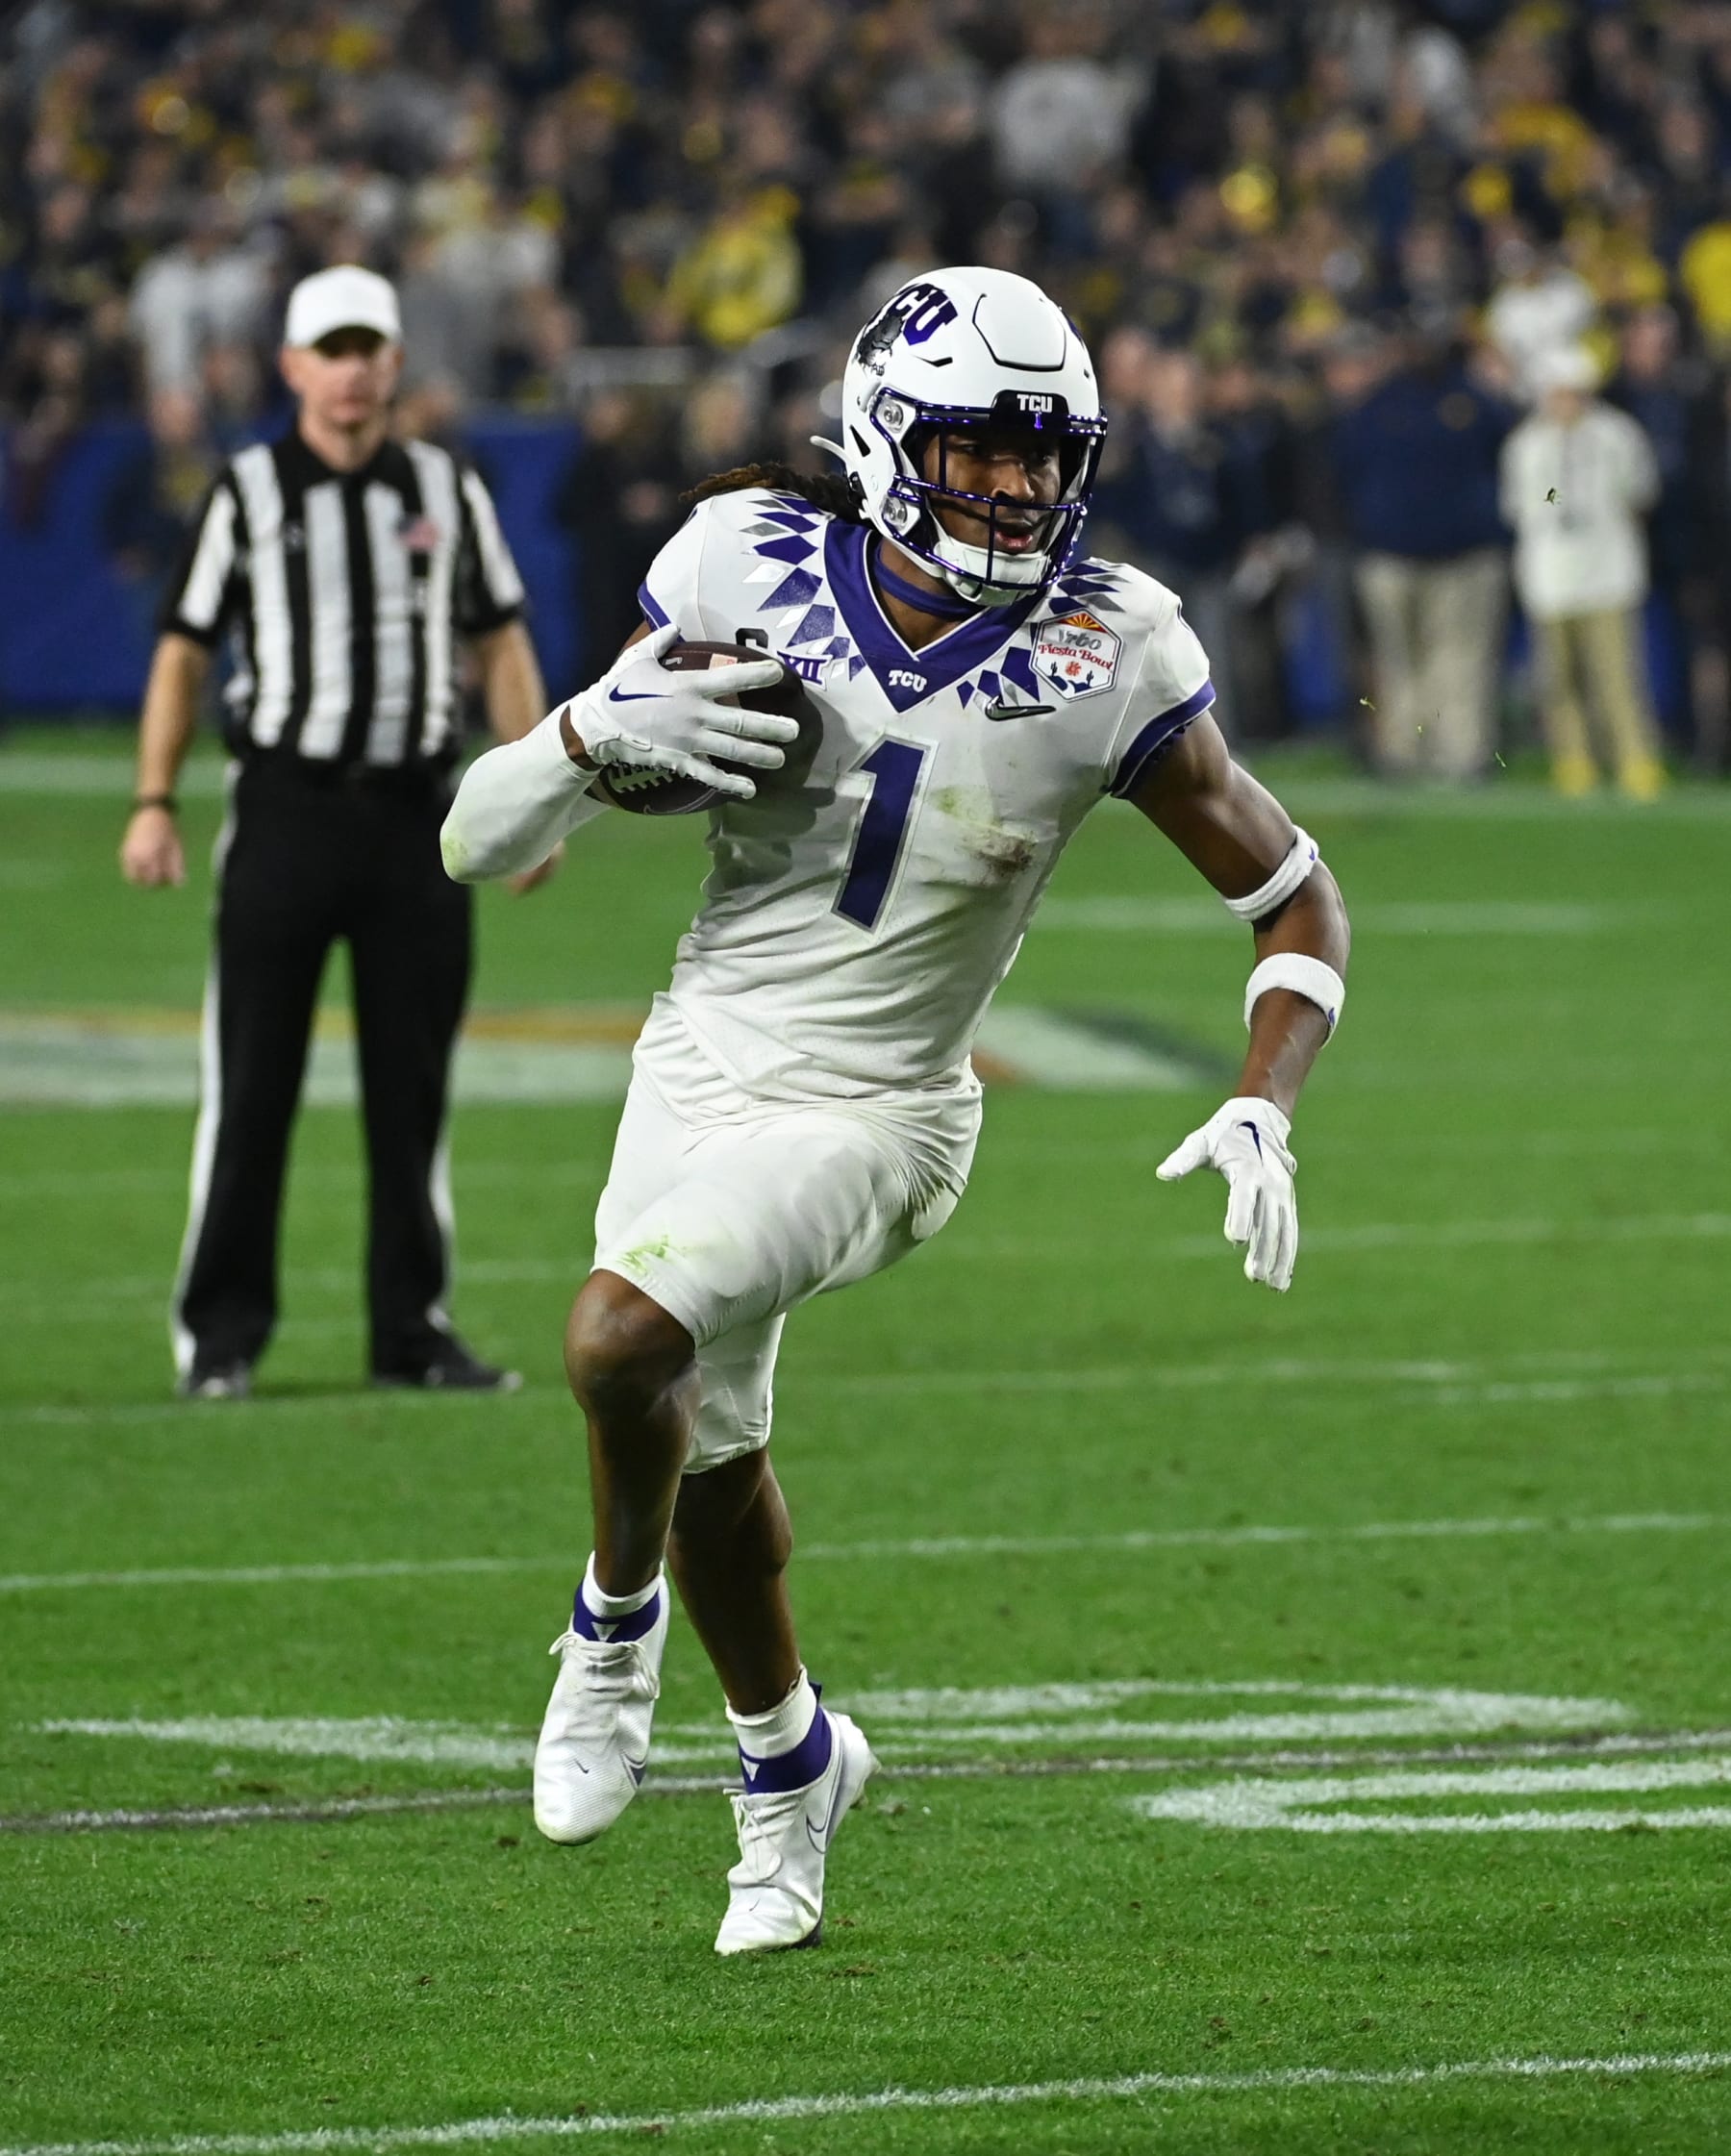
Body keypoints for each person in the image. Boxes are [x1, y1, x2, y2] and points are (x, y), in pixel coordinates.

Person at [441, 267, 1351, 1955]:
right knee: (712, 1454)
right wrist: (580, 732)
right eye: (978, 449)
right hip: (696, 1058)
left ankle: (605, 1630)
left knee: (618, 1337)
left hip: (886, 1112)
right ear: (882, 436)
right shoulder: (740, 568)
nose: (1015, 487)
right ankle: (792, 1767)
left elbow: (1296, 901)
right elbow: (472, 846)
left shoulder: (1113, 645)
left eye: (1042, 454)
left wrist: (1261, 1103)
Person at [119, 264, 555, 1399]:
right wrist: (153, 800)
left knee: (411, 1088)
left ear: (395, 362)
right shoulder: (249, 490)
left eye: (371, 348)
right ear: (295, 366)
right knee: (252, 1083)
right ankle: (221, 1335)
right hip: (287, 810)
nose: (354, 370)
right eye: (333, 348)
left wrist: (535, 797)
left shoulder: (446, 489)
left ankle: (411, 1329)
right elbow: (182, 650)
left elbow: (500, 642)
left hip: (419, 817)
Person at [1333, 329, 1514, 779]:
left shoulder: (1474, 399)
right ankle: (1404, 753)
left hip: (1465, 556)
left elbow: (1508, 454)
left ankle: (1462, 754)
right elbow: (1344, 471)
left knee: (1460, 660)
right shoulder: (1376, 404)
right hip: (1390, 555)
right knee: (1399, 661)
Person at [1499, 343, 1665, 799]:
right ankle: (1573, 760)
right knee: (1559, 679)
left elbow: (1641, 493)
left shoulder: (1618, 436)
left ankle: (1635, 758)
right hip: (1549, 576)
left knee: (1617, 674)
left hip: (1609, 573)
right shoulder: (1527, 445)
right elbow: (1517, 508)